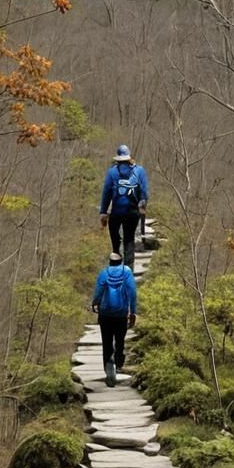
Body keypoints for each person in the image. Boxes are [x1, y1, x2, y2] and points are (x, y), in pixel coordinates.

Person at [91, 252, 137, 386]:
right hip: (121, 314)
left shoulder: (104, 273)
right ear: (121, 261)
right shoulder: (127, 272)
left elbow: (99, 291)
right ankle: (118, 364)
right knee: (120, 340)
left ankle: (109, 370)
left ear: (110, 262)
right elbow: (132, 293)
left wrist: (95, 303)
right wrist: (133, 312)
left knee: (106, 342)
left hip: (105, 314)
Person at [99, 144, 148, 267]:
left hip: (116, 213)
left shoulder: (112, 172)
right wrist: (142, 204)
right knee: (129, 240)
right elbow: (144, 192)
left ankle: (115, 264)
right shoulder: (139, 171)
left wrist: (103, 212)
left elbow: (106, 193)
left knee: (115, 240)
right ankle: (128, 271)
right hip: (132, 212)